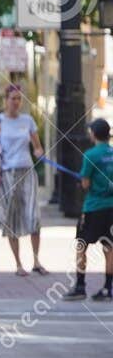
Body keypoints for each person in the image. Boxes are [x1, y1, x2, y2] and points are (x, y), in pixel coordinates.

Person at [0, 85, 47, 276]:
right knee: (12, 218)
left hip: (27, 171)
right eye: (13, 98)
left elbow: (37, 146)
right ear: (5, 100)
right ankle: (18, 264)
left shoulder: (27, 121)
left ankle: (36, 260)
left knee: (33, 217)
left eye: (19, 99)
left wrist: (39, 152)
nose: (16, 102)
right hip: (7, 173)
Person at [66, 118, 113, 302]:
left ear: (93, 134)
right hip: (111, 207)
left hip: (94, 206)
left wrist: (82, 182)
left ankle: (79, 286)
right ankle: (108, 288)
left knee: (81, 245)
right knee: (109, 247)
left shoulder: (90, 155)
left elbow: (85, 183)